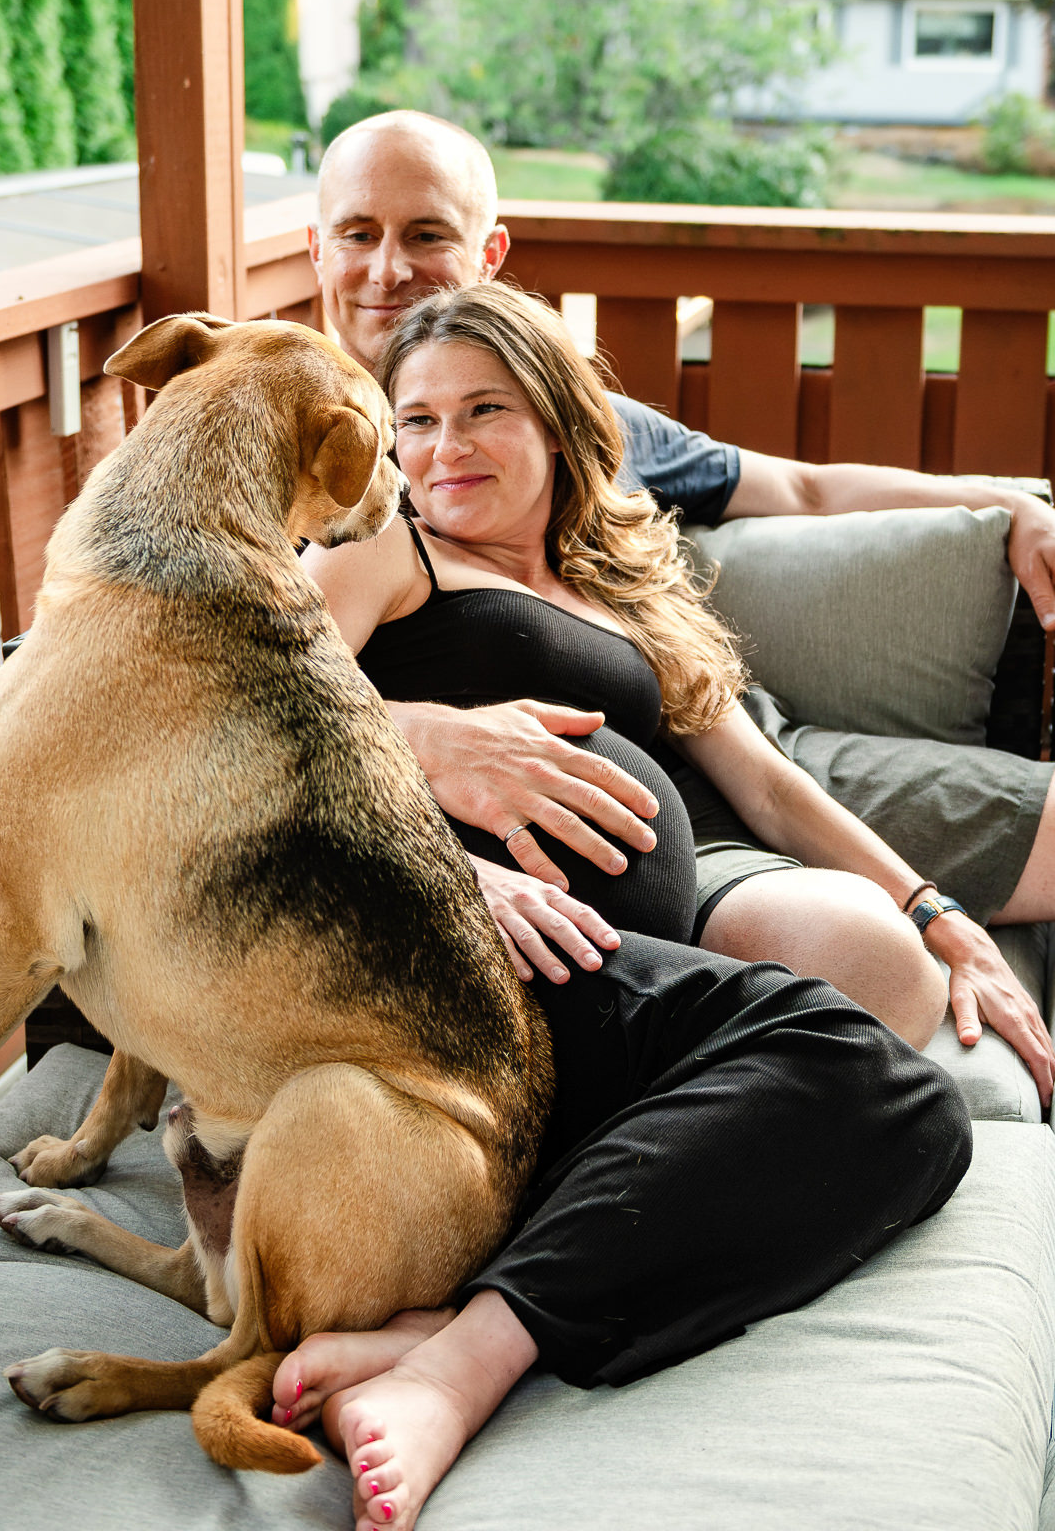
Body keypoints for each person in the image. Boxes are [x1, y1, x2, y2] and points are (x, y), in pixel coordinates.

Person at [270, 280, 973, 1531]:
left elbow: (768, 786)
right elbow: (259, 716)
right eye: (414, 420)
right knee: (849, 1065)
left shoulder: (621, 582)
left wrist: (933, 909)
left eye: (483, 410)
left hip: (604, 973)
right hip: (461, 953)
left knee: (907, 1107)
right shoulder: (386, 550)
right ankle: (466, 1368)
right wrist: (449, 858)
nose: (442, 448)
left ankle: (463, 1322)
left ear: (555, 420)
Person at [305, 107, 1055, 1094]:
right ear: (316, 248)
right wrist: (413, 738)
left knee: (896, 940)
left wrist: (1010, 500)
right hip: (639, 847)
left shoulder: (581, 427)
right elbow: (220, 701)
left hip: (742, 744)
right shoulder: (307, 480)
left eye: (426, 236)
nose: (389, 272)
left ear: (489, 255)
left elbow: (803, 490)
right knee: (869, 973)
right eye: (359, 234)